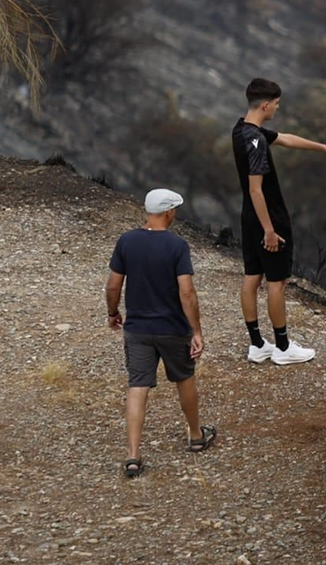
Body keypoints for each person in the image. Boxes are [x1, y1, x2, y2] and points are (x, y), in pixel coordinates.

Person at [232, 77, 326, 365]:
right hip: (268, 219)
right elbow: (256, 188)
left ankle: (257, 344)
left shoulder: (242, 130)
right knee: (276, 282)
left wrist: (322, 147)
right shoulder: (257, 142)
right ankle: (283, 348)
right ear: (265, 104)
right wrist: (270, 231)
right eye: (276, 105)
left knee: (251, 278)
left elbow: (284, 138)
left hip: (249, 217)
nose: (277, 109)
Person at [105, 188, 215, 478]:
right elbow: (187, 292)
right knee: (184, 378)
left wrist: (113, 313)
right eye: (174, 209)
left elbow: (113, 285)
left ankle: (133, 455)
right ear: (168, 212)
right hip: (172, 328)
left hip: (138, 329)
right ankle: (195, 435)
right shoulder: (177, 246)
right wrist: (196, 330)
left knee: (137, 386)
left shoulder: (126, 242)